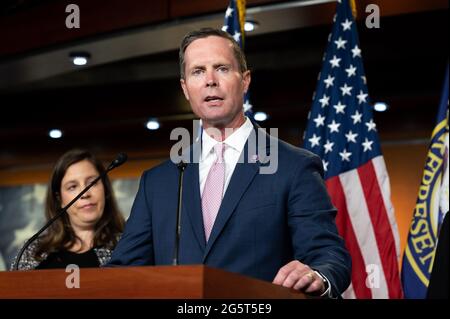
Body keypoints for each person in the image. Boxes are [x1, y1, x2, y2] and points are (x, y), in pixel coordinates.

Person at [108, 28, 351, 297]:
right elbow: (122, 272)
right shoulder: (158, 182)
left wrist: (316, 275)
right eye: (198, 71)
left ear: (245, 81)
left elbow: (328, 256)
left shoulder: (293, 167)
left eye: (222, 68)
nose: (210, 80)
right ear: (185, 88)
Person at [11, 149, 125, 270]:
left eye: (93, 182)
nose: (84, 193)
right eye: (72, 187)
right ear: (59, 199)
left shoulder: (127, 245)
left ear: (105, 190)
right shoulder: (32, 251)